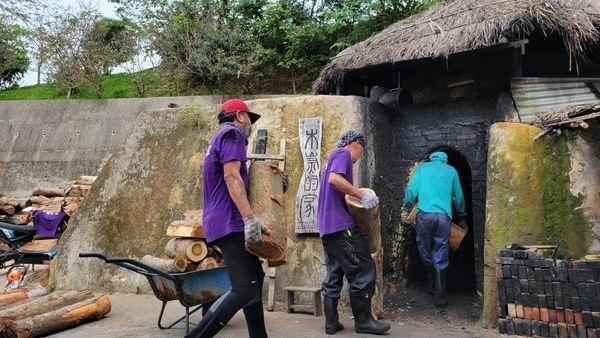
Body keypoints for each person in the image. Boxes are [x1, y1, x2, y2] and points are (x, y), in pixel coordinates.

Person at [187, 99, 270, 338]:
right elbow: (232, 178)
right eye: (249, 120)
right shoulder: (233, 135)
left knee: (255, 279)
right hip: (230, 221)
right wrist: (249, 218)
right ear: (240, 116)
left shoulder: (219, 138)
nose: (250, 127)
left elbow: (237, 180)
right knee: (243, 288)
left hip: (222, 218)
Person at [318, 130, 391, 335]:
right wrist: (360, 194)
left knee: (334, 273)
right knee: (363, 269)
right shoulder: (342, 155)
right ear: (355, 143)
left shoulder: (330, 159)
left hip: (327, 228)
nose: (360, 156)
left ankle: (331, 323)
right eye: (362, 150)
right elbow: (334, 179)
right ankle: (364, 321)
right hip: (342, 227)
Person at [401, 151, 466, 307]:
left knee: (424, 247)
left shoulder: (422, 169)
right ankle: (440, 296)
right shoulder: (451, 171)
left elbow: (411, 191)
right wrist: (462, 216)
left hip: (424, 215)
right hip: (444, 217)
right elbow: (459, 197)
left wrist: (406, 207)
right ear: (445, 160)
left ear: (431, 159)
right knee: (441, 249)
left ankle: (431, 284)